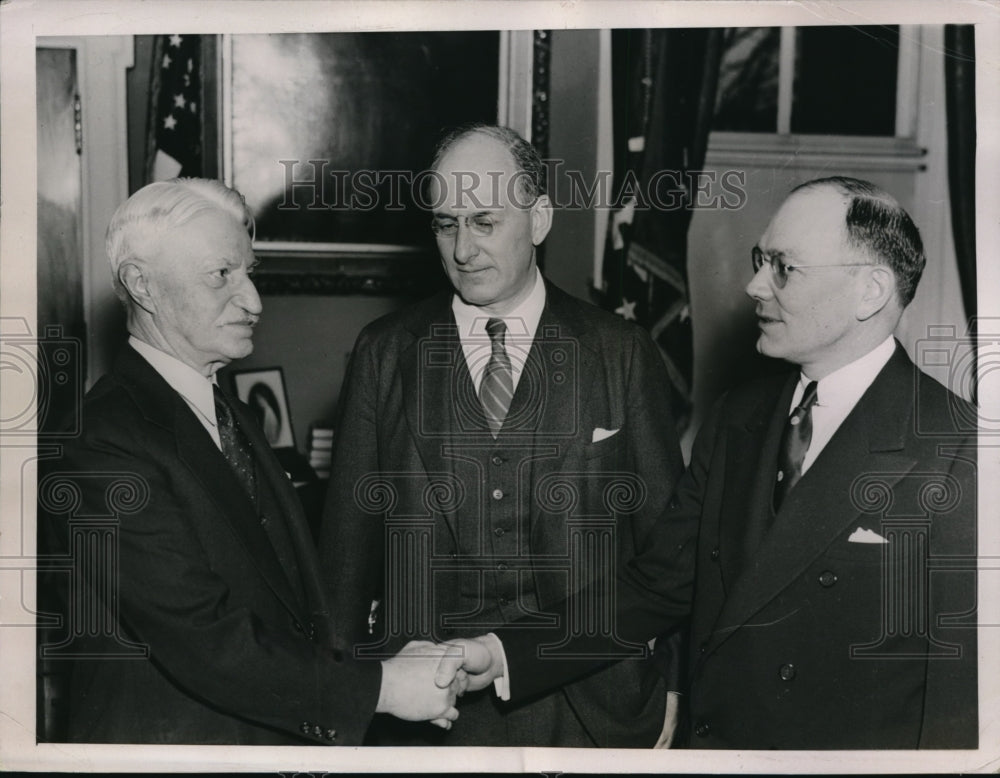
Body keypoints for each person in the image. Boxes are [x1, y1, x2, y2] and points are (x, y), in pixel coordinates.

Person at [437, 176, 978, 750]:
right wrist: (500, 654)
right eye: (758, 260)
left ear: (870, 291)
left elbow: (958, 706)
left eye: (784, 268)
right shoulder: (737, 418)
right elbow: (657, 586)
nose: (753, 286)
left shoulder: (957, 451)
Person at [38, 178, 465, 745]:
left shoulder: (230, 414)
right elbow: (202, 639)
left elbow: (286, 602)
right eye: (222, 275)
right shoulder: (100, 442)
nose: (254, 301)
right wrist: (383, 687)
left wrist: (388, 656)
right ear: (142, 284)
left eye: (249, 271)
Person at [319, 125, 685, 746]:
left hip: (595, 704)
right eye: (445, 224)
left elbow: (669, 548)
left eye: (485, 221)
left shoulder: (620, 351)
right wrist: (343, 703)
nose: (463, 249)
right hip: (432, 712)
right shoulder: (385, 353)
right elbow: (345, 557)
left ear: (539, 219)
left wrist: (673, 690)